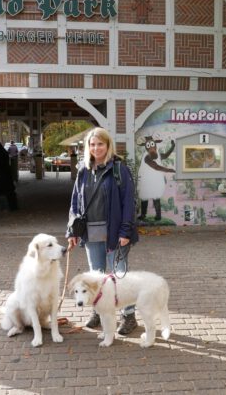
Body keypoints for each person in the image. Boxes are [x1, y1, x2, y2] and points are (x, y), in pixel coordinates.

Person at [66, 127, 139, 334]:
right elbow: (75, 203)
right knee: (94, 277)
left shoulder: (119, 170)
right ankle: (98, 312)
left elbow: (128, 203)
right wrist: (72, 230)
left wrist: (125, 232)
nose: (96, 148)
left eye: (100, 144)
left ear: (108, 146)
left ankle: (129, 316)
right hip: (91, 234)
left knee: (120, 276)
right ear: (87, 147)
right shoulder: (83, 170)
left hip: (115, 233)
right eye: (92, 144)